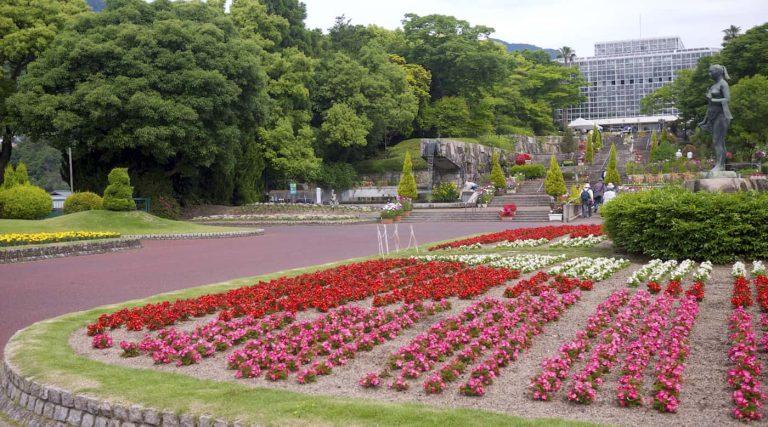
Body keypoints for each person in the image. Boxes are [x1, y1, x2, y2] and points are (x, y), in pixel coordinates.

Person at [697, 64, 733, 172]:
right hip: (713, 116)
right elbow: (710, 106)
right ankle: (721, 165)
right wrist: (704, 120)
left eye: (711, 72)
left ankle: (719, 165)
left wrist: (712, 99)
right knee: (718, 141)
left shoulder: (723, 84)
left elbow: (727, 99)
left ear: (718, 72)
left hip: (722, 115)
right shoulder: (713, 86)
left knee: (717, 140)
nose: (709, 74)